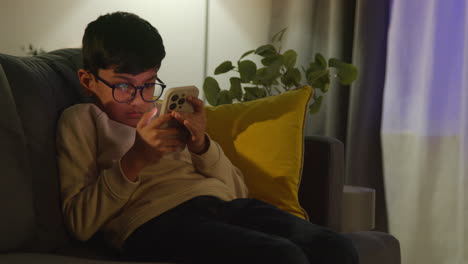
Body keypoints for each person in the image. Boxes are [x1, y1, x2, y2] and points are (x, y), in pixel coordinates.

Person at [56, 11, 359, 264]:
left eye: (148, 85)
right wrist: (136, 160)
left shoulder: (167, 113)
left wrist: (201, 145)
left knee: (337, 248)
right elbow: (80, 224)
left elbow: (237, 190)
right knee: (281, 256)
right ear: (87, 80)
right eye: (123, 87)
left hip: (224, 206)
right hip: (155, 222)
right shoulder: (81, 120)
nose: (138, 100)